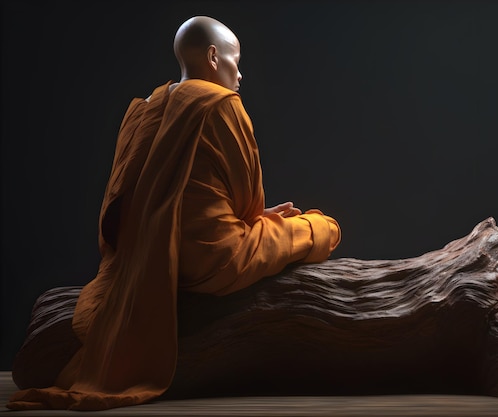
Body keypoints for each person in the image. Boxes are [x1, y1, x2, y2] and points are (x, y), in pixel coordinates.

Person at [7, 15, 341, 411]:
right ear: (214, 57)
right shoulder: (222, 105)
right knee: (324, 226)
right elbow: (247, 200)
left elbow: (119, 201)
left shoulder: (143, 108)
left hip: (148, 257)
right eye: (236, 60)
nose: (241, 74)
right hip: (210, 259)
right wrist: (260, 218)